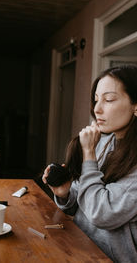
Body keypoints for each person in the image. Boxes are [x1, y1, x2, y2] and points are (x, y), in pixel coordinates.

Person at [42, 65, 137, 263]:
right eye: (96, 100)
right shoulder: (106, 141)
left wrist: (88, 153)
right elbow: (85, 195)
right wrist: (66, 193)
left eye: (109, 99)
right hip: (80, 248)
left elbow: (101, 213)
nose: (97, 109)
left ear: (135, 106)